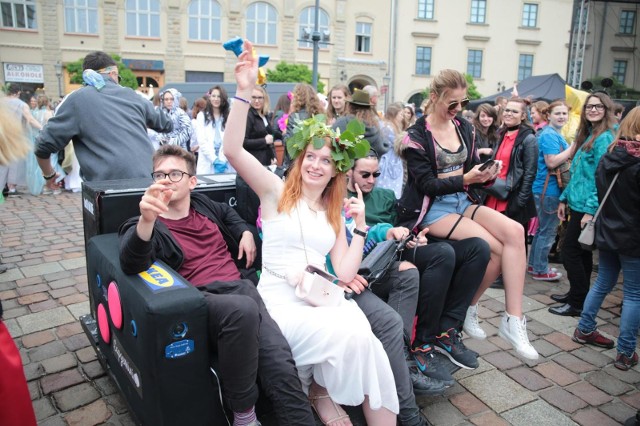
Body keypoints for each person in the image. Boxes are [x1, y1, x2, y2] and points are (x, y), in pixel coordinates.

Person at [225, 40, 399, 426]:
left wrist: (358, 227)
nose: (316, 165)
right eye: (311, 157)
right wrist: (242, 91)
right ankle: (320, 392)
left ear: (337, 169)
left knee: (369, 344)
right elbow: (233, 151)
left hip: (321, 297)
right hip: (280, 301)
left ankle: (325, 393)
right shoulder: (274, 192)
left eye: (326, 160)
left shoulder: (332, 211)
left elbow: (345, 273)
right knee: (356, 337)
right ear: (300, 157)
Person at [119, 144, 316, 426]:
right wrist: (147, 220)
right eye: (159, 175)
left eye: (175, 174)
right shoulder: (148, 224)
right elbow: (130, 260)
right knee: (242, 309)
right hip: (202, 300)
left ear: (192, 182)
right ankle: (244, 417)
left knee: (281, 363)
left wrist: (245, 232)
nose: (166, 180)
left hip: (241, 290)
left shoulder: (204, 207)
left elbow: (229, 216)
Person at [397, 69, 539, 360]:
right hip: (433, 210)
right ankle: (467, 310)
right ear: (434, 98)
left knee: (515, 233)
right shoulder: (416, 136)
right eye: (452, 103)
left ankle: (512, 320)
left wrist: (487, 174)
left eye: (463, 102)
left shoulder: (463, 126)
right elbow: (427, 185)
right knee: (491, 248)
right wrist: (467, 180)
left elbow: (472, 167)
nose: (458, 109)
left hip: (463, 200)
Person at [347, 152, 490, 386]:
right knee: (443, 254)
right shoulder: (343, 197)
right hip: (367, 263)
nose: (372, 180)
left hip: (397, 250)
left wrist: (413, 238)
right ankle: (422, 343)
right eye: (365, 174)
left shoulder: (385, 195)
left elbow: (402, 227)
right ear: (348, 172)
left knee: (478, 248)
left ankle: (446, 331)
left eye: (376, 174)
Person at [35, 51, 173, 186]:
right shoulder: (133, 95)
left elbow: (42, 145)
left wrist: (50, 175)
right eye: (118, 78)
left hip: (107, 187)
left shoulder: (77, 99)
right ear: (113, 73)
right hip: (149, 180)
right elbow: (166, 124)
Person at [572, 107, 640, 371]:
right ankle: (625, 352)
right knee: (634, 293)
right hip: (633, 236)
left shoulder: (611, 155)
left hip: (608, 231)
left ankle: (584, 328)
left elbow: (600, 193)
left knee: (603, 282)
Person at [549, 92, 618, 316]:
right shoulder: (589, 134)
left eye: (598, 107)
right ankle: (577, 295)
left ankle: (577, 303)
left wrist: (590, 211)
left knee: (570, 253)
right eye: (589, 106)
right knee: (582, 254)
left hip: (587, 208)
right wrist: (563, 199)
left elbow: (602, 179)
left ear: (606, 110)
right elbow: (579, 174)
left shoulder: (605, 137)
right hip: (576, 203)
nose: (593, 110)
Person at [483, 98, 538, 250]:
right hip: (494, 194)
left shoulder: (529, 138)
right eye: (507, 110)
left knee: (513, 246)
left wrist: (519, 202)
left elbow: (530, 173)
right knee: (493, 243)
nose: (509, 113)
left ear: (523, 116)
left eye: (514, 111)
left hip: (513, 199)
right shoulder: (500, 134)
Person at [528, 100, 573, 281]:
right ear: (549, 115)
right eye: (557, 113)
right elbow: (552, 161)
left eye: (564, 113)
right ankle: (540, 270)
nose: (562, 116)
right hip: (549, 190)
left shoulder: (551, 133)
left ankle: (534, 266)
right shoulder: (549, 135)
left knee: (542, 230)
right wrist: (573, 148)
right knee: (547, 231)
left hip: (546, 189)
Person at [1, 85, 42, 195]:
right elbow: (30, 119)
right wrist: (42, 127)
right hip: (15, 136)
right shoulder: (21, 104)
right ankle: (12, 187)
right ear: (18, 93)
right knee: (14, 162)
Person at [333, 90, 388, 156]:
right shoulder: (374, 125)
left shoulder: (342, 122)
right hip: (370, 164)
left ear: (350, 106)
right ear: (369, 108)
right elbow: (382, 147)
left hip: (347, 164)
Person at [195, 86, 232, 174]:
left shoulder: (229, 116)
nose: (216, 99)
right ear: (209, 97)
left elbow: (231, 140)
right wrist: (214, 159)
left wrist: (222, 159)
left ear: (223, 99)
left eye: (219, 96)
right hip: (207, 162)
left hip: (225, 162)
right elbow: (202, 141)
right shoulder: (202, 116)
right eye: (213, 96)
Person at [377, 102, 407, 199]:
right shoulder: (388, 127)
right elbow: (398, 144)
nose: (402, 117)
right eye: (401, 114)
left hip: (392, 160)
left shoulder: (386, 125)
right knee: (389, 186)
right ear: (395, 114)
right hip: (390, 160)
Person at [244, 85, 275, 166]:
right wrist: (264, 141)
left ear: (265, 99)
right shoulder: (248, 115)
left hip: (266, 162)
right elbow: (244, 142)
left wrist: (273, 156)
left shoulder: (265, 115)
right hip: (253, 162)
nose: (257, 100)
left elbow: (270, 138)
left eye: (260, 97)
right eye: (253, 97)